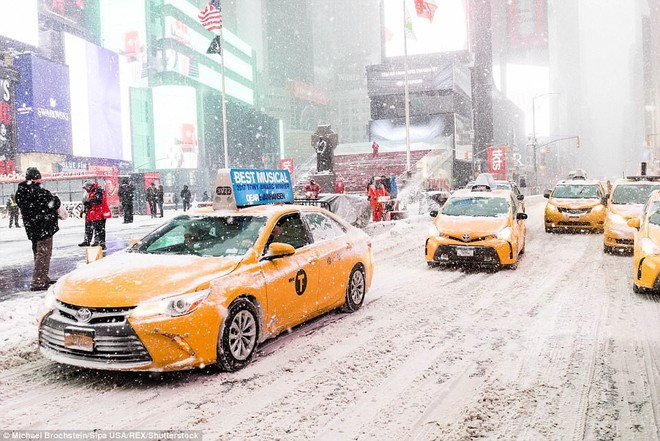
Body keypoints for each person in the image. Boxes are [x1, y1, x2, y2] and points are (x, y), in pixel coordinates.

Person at [14, 167, 60, 291]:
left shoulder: (21, 192)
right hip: (43, 227)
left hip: (32, 228)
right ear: (37, 178)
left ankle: (42, 277)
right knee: (44, 254)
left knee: (38, 253)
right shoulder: (39, 192)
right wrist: (55, 198)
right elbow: (54, 203)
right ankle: (39, 281)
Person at [79, 181, 111, 250]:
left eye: (86, 188)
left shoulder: (98, 191)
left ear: (89, 187)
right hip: (95, 213)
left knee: (100, 228)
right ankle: (96, 241)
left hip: (100, 213)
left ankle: (101, 243)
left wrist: (89, 202)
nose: (86, 190)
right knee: (95, 227)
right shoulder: (92, 191)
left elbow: (98, 200)